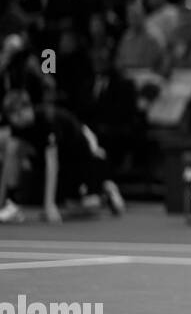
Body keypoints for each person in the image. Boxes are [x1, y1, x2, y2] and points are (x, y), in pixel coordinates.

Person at [0, 91, 125, 224]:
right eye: (11, 116)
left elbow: (52, 164)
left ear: (26, 109)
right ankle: (11, 203)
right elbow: (9, 160)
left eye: (16, 115)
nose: (14, 120)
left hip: (81, 156)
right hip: (59, 159)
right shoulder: (18, 126)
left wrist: (49, 206)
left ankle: (105, 192)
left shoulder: (48, 120)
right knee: (68, 205)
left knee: (87, 205)